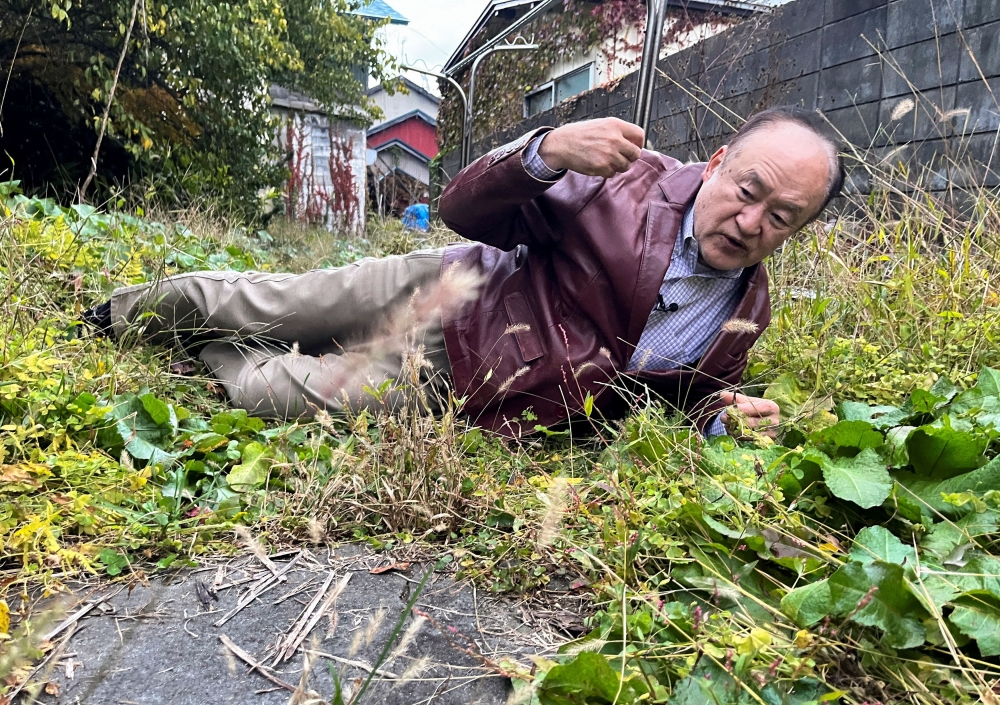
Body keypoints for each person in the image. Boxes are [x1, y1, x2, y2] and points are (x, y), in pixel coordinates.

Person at [85, 106, 844, 438]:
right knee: (270, 303)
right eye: (747, 192)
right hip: (451, 285)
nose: (751, 223)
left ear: (800, 228)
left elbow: (680, 400)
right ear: (718, 163)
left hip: (464, 379)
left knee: (272, 394)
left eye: (781, 218)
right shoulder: (627, 178)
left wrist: (717, 417)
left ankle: (202, 354)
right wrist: (542, 153)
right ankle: (123, 313)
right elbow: (462, 208)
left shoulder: (745, 313)